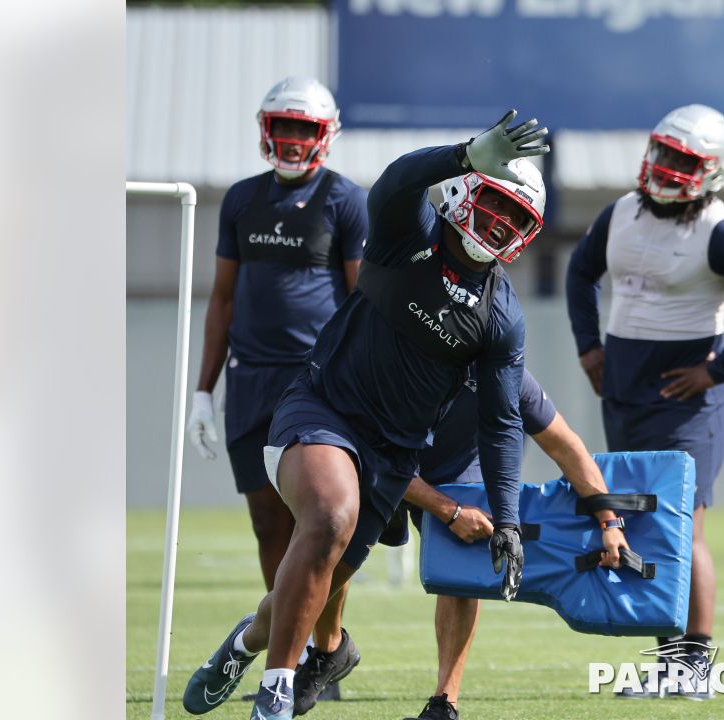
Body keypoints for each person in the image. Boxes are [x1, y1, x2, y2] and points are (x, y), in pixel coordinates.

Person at [182, 110, 551, 720]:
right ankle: (275, 699)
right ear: (467, 189)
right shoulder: (409, 237)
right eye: (498, 204)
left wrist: (507, 519)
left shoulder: (501, 315)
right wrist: (462, 152)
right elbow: (393, 183)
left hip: (393, 453)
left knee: (313, 582)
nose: (502, 224)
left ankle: (245, 642)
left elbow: (501, 422)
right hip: (323, 406)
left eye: (518, 218)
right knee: (329, 517)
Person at [565, 104, 724, 699]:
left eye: (684, 161)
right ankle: (671, 663)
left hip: (687, 398)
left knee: (680, 531)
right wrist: (590, 348)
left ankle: (691, 667)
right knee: (642, 525)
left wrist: (717, 371)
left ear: (711, 171)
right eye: (664, 153)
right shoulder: (619, 212)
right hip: (624, 389)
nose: (667, 168)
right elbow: (579, 271)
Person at [290, 367, 630, 719]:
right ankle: (330, 648)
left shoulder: (507, 372)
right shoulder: (397, 363)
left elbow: (566, 446)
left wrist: (609, 520)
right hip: (380, 465)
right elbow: (376, 458)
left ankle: (445, 702)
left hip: (454, 474)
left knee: (461, 565)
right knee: (331, 548)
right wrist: (447, 511)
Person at [184, 75, 367, 703]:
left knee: (321, 525)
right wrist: (202, 390)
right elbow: (223, 299)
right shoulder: (240, 199)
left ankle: (321, 651)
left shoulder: (346, 201)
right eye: (282, 127)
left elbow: (363, 300)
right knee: (270, 528)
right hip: (250, 382)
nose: (290, 141)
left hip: (317, 387)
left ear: (326, 134)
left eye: (303, 129)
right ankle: (298, 647)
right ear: (265, 128)